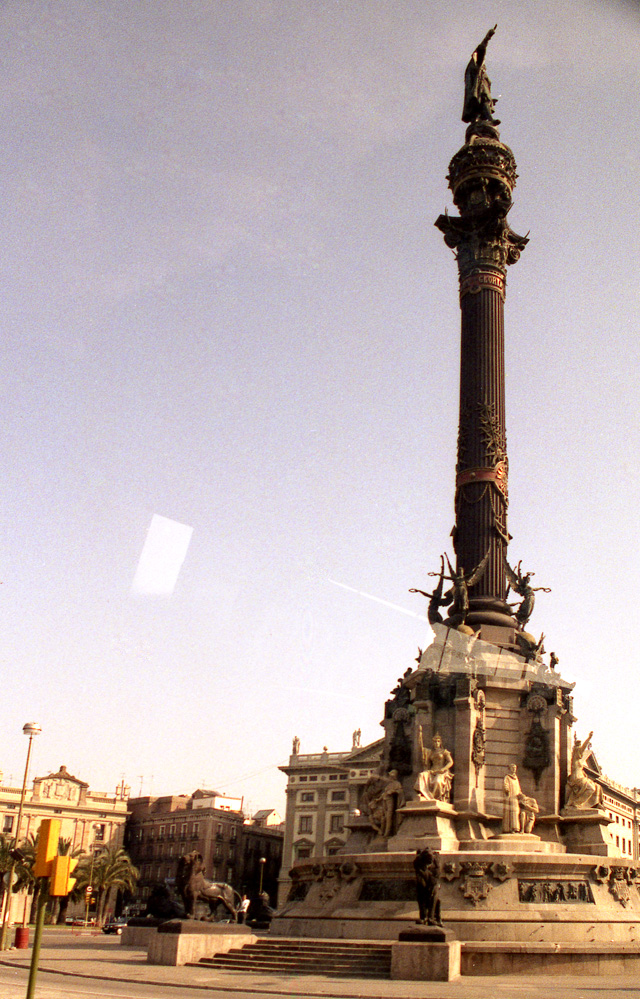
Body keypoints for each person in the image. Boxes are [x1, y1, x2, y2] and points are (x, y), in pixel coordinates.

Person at [565, 731, 603, 809]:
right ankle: (576, 803)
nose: (581, 752)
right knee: (591, 788)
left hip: (581, 778)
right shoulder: (575, 759)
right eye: (579, 749)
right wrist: (589, 738)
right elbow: (583, 748)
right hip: (577, 779)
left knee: (597, 786)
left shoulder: (578, 760)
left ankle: (594, 804)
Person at [414, 731, 454, 802]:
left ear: (440, 742)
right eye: (435, 742)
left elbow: (451, 762)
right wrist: (419, 736)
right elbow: (421, 750)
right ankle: (424, 794)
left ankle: (433, 798)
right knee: (421, 775)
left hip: (441, 772)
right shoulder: (430, 752)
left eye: (438, 741)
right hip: (432, 771)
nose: (436, 743)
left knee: (438, 781)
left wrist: (444, 769)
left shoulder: (444, 752)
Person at [502, 763, 521, 832]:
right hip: (510, 797)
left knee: (516, 812)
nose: (514, 769)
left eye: (515, 768)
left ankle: (516, 828)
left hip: (515, 797)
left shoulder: (516, 778)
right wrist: (507, 790)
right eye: (512, 768)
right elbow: (505, 785)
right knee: (510, 812)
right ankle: (510, 828)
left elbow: (518, 788)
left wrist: (520, 794)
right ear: (509, 769)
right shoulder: (507, 777)